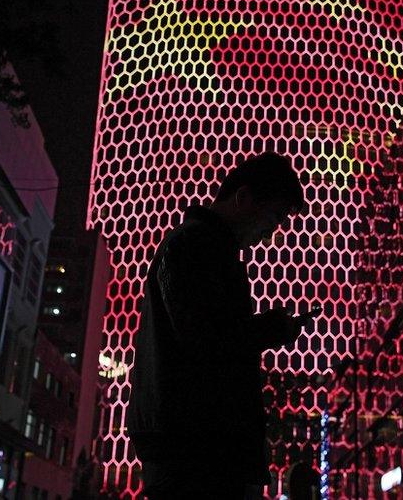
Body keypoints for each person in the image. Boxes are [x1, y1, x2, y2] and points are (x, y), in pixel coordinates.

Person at [127, 152, 314, 499]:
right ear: (244, 198)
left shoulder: (202, 247)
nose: (271, 230)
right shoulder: (195, 245)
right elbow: (205, 342)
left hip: (196, 446)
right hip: (197, 450)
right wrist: (271, 329)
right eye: (273, 216)